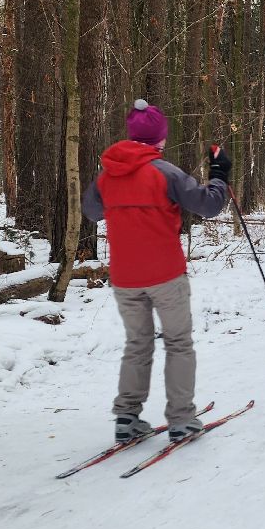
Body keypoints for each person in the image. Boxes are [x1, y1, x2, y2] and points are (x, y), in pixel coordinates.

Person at [82, 99, 232, 443]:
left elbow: (91, 212)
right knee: (178, 343)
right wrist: (220, 175)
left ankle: (127, 418)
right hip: (166, 276)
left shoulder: (108, 176)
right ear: (159, 139)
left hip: (125, 279)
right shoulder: (166, 173)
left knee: (137, 343)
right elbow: (208, 205)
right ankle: (181, 420)